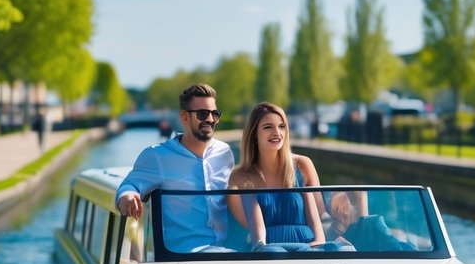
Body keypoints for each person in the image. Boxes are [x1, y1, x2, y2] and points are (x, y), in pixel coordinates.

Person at [115, 84, 234, 252]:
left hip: (225, 255)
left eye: (215, 114)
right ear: (184, 117)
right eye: (202, 114)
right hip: (180, 259)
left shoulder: (225, 154)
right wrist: (128, 196)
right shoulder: (157, 156)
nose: (210, 119)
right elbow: (129, 185)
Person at [226, 102, 325, 250]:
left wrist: (318, 243)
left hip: (308, 245)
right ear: (254, 134)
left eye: (281, 126)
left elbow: (319, 211)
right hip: (269, 250)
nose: (277, 132)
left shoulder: (303, 165)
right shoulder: (240, 177)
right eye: (268, 127)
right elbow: (247, 224)